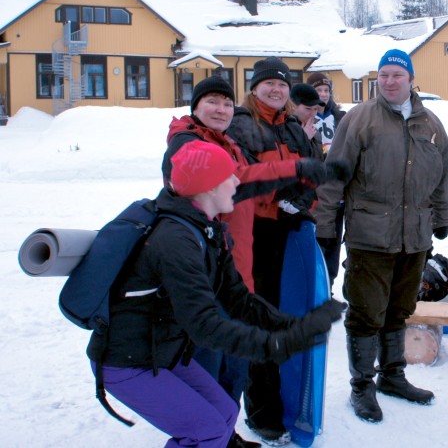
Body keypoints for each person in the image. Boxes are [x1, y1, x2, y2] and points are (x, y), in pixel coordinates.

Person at [87, 140, 344, 448]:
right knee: (206, 430)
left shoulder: (208, 230)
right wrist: (272, 344)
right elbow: (204, 325)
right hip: (127, 361)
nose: (238, 181)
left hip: (161, 350)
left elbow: (238, 301)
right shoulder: (175, 240)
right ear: (208, 188)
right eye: (230, 176)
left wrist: (292, 327)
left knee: (224, 413)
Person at [160, 75, 332, 448]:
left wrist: (303, 192)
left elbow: (246, 185)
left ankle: (225, 433)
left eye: (224, 102)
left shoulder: (229, 141)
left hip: (238, 267)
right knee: (207, 365)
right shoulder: (187, 143)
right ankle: (202, 437)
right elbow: (237, 179)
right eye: (212, 103)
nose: (220, 109)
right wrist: (293, 172)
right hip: (206, 274)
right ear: (196, 108)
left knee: (232, 365)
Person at [315, 49, 448, 424]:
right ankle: (362, 385)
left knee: (399, 310)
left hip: (415, 239)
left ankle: (393, 376)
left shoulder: (432, 125)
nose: (390, 81)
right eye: (384, 75)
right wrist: (326, 227)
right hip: (369, 237)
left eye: (398, 74)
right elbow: (334, 178)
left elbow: (441, 177)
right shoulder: (360, 120)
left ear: (411, 79)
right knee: (365, 314)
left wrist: (442, 217)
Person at [226, 58, 324, 446]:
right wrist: (279, 195)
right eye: (268, 84)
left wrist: (303, 198)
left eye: (282, 85)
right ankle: (262, 412)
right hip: (255, 233)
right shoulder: (241, 124)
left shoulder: (292, 127)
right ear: (254, 88)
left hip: (291, 232)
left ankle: (289, 401)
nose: (276, 90)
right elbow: (241, 176)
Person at [307, 71, 347, 288]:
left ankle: (328, 285)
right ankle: (315, 287)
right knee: (316, 241)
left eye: (325, 90)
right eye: (318, 90)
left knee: (333, 241)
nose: (322, 94)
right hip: (314, 194)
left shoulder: (340, 117)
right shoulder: (302, 118)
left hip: (337, 193)